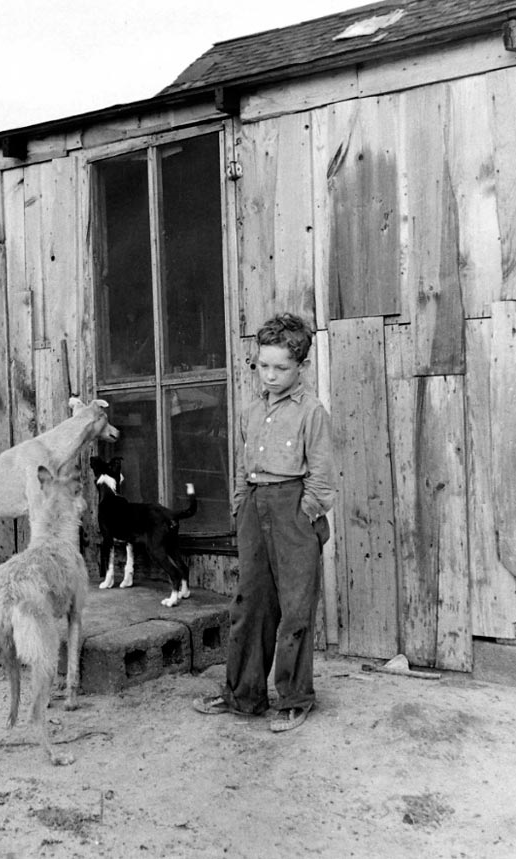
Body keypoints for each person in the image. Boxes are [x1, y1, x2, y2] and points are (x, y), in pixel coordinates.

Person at [193, 313, 335, 732]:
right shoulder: (252, 410)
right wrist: (241, 506)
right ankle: (243, 694)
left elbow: (322, 477)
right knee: (250, 603)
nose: (270, 376)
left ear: (301, 368)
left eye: (281, 368)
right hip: (255, 506)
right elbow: (242, 465)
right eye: (263, 366)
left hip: (293, 509)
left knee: (295, 607)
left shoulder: (312, 412)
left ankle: (294, 697)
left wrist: (305, 515)